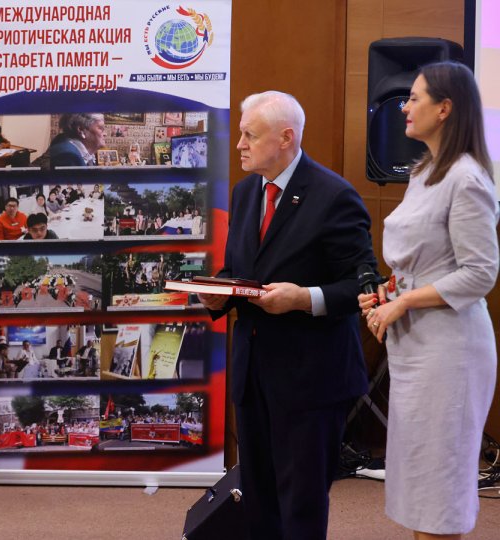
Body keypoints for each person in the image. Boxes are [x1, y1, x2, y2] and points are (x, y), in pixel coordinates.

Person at [197, 91, 375, 540]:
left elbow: (363, 287)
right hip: (254, 374)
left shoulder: (334, 196)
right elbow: (241, 269)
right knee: (258, 499)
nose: (239, 144)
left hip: (310, 378)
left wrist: (303, 299)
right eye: (241, 134)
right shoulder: (245, 192)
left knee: (301, 503)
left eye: (250, 135)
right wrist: (219, 294)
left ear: (286, 138)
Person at [358, 62, 498, 539]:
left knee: (439, 490)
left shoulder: (467, 178)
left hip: (450, 350)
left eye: (415, 97)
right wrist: (390, 291)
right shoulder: (424, 171)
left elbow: (480, 273)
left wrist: (404, 302)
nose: (405, 106)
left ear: (445, 109)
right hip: (416, 346)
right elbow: (427, 259)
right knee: (420, 485)